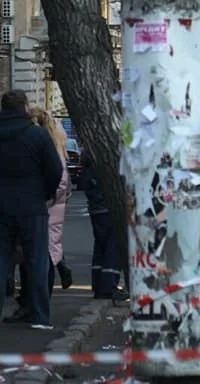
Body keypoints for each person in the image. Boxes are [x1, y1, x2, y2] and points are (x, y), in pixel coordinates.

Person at [0, 90, 63, 329]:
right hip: (32, 205)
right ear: (25, 107)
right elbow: (55, 170)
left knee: (2, 260)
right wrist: (45, 194)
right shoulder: (37, 135)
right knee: (37, 261)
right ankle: (40, 316)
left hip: (2, 206)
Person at [30, 109, 73, 299]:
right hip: (53, 205)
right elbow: (65, 184)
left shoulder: (49, 148)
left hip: (48, 206)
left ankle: (41, 295)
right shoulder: (56, 145)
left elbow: (60, 182)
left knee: (44, 250)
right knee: (48, 247)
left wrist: (45, 200)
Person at [78, 149, 125, 300]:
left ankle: (98, 283)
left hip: (96, 211)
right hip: (108, 210)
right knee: (113, 248)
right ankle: (108, 285)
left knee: (101, 247)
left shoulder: (87, 170)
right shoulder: (105, 169)